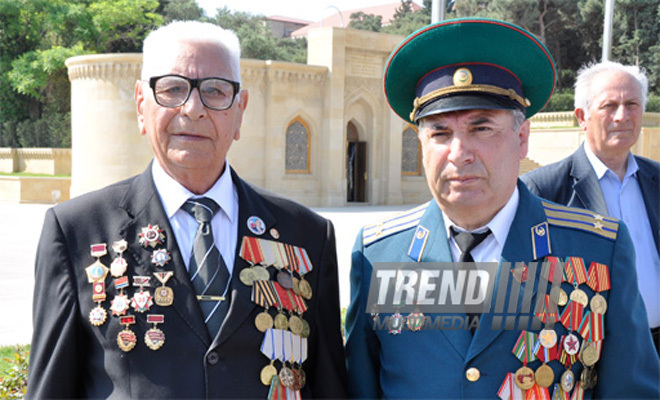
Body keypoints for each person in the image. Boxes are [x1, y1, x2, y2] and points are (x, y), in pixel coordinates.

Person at [26, 21, 347, 399]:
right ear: (141, 105)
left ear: (239, 110)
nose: (193, 109)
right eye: (173, 88)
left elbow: (328, 387)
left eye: (215, 90)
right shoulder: (77, 231)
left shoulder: (306, 235)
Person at [344, 18, 660, 398]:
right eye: (440, 134)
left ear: (522, 138)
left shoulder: (596, 248)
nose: (459, 154)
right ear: (421, 145)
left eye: (482, 129)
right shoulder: (379, 254)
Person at [521, 61, 660, 356]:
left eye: (632, 104)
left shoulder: (656, 180)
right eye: (609, 105)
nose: (622, 116)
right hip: (587, 354)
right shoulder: (543, 189)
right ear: (582, 117)